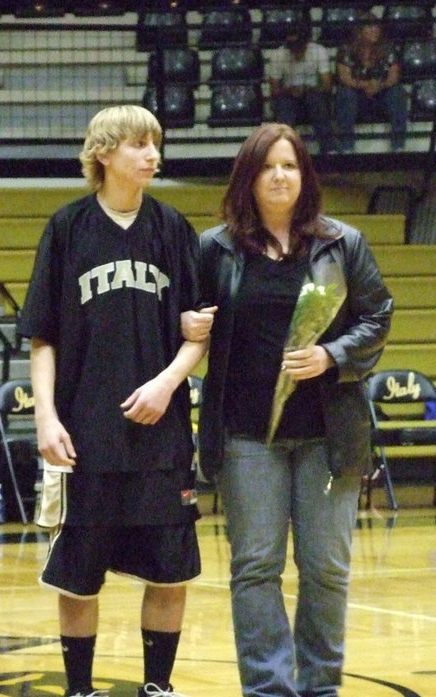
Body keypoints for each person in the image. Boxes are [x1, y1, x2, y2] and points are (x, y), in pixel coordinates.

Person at [18, 104, 214, 697]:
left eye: (155, 143)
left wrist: (167, 383)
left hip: (161, 434)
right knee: (78, 578)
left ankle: (158, 686)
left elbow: (199, 332)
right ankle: (80, 689)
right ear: (103, 153)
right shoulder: (67, 228)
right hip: (86, 436)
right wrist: (46, 417)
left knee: (171, 571)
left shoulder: (173, 228)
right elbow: (43, 336)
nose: (153, 155)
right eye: (138, 144)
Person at [196, 123, 393, 697]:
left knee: (326, 568)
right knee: (256, 567)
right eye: (267, 166)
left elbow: (378, 316)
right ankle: (267, 688)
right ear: (248, 178)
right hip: (246, 436)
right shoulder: (216, 249)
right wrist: (187, 322)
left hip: (328, 435)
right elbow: (188, 322)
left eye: (289, 165)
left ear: (304, 175)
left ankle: (321, 687)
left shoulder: (343, 243)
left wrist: (332, 355)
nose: (279, 176)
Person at [333, 11, 407, 152]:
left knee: (397, 92)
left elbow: (394, 76)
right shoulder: (346, 49)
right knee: (345, 93)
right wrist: (366, 84)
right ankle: (347, 147)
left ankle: (398, 147)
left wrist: (380, 85)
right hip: (357, 95)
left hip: (382, 94)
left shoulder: (388, 48)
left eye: (377, 27)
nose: (375, 30)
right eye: (370, 27)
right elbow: (344, 78)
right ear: (359, 31)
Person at [267, 22, 335, 155]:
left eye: (298, 46)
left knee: (316, 102)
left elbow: (327, 85)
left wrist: (309, 88)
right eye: (292, 47)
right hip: (288, 96)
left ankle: (328, 149)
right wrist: (289, 90)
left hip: (314, 94)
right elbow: (274, 90)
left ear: (305, 43)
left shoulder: (318, 51)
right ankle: (285, 151)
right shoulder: (278, 55)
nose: (295, 50)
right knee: (284, 106)